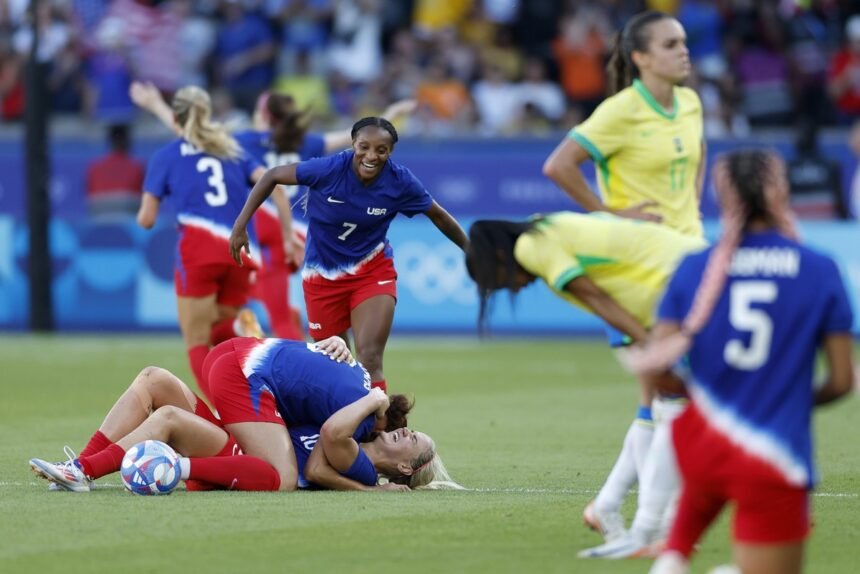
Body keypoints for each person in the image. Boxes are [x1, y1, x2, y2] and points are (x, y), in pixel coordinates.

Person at [631, 150, 856, 574]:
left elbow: (657, 368)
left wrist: (699, 395)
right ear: (782, 192)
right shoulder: (819, 269)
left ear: (721, 196)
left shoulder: (694, 268)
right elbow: (842, 381)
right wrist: (785, 401)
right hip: (771, 455)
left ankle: (674, 559)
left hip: (698, 443)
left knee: (678, 550)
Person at [541, 10, 705, 546]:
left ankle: (614, 507)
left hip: (687, 259)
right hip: (637, 267)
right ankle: (650, 524)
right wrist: (613, 213)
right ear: (641, 57)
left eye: (684, 42)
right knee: (671, 397)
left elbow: (694, 177)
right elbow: (559, 165)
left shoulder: (691, 103)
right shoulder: (621, 111)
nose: (684, 51)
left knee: (666, 399)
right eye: (671, 44)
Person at [465, 211, 706, 551]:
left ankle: (656, 530)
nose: (514, 287)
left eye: (502, 282)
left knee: (672, 408)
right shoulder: (542, 225)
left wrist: (651, 346)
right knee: (670, 406)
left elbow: (596, 297)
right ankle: (650, 525)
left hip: (676, 281)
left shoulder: (530, 249)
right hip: (686, 268)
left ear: (501, 257)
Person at [229, 116, 469, 393]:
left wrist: (470, 250)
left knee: (369, 356)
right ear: (353, 144)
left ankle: (379, 430)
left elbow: (438, 215)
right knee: (333, 366)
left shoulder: (400, 181)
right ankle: (351, 427)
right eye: (364, 147)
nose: (371, 156)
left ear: (390, 152)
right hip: (322, 277)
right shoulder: (328, 168)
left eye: (382, 150)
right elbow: (272, 176)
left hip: (371, 270)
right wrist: (240, 225)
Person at [29, 337, 456, 492]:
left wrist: (373, 397)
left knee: (156, 384)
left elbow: (326, 451)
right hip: (240, 432)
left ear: (404, 466)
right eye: (412, 431)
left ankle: (82, 469)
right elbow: (321, 453)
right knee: (282, 478)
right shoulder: (353, 433)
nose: (409, 433)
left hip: (237, 402)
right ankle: (80, 467)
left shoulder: (361, 464)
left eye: (415, 441)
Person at [135, 85, 282, 399]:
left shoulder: (166, 156)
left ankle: (224, 414)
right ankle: (243, 333)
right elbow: (272, 180)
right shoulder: (231, 149)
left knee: (197, 339)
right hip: (240, 251)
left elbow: (147, 219)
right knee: (221, 327)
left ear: (177, 117)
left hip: (199, 251)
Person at [85, 123, 145, 219]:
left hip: (101, 225)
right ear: (127, 141)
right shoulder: (137, 168)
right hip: (128, 227)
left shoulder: (94, 168)